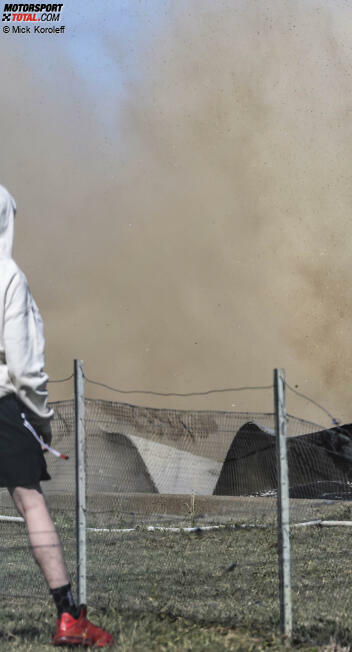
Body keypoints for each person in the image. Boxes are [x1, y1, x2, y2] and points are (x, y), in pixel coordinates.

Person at [0, 185, 113, 647]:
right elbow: (24, 366)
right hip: (5, 406)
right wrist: (41, 418)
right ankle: (69, 616)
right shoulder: (7, 275)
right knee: (30, 502)